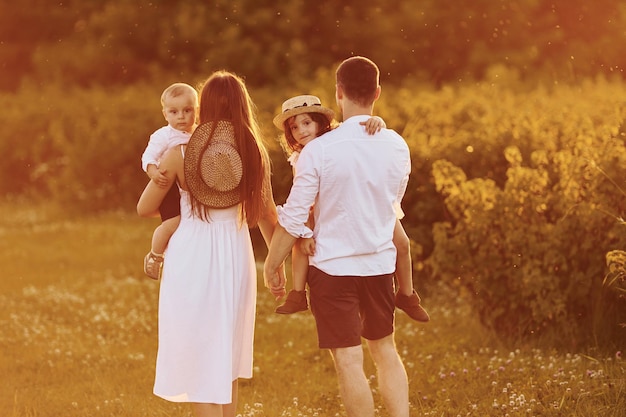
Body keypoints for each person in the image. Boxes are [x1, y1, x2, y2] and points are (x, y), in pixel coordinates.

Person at [263, 56, 412, 417]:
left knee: (348, 360)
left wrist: (271, 264)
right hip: (378, 265)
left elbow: (296, 217)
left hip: (332, 271)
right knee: (385, 350)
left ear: (338, 91)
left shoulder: (318, 150)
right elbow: (391, 206)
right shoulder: (396, 145)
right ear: (377, 92)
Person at [137, 70, 282, 417]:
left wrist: (159, 177)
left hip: (193, 252)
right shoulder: (252, 153)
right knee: (226, 350)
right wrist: (276, 267)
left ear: (204, 107)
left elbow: (145, 208)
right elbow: (267, 216)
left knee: (198, 346)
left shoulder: (178, 153)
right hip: (236, 251)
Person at [272, 95, 429, 322]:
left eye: (306, 123)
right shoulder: (301, 157)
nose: (301, 131)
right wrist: (307, 233)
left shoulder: (336, 138)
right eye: (294, 127)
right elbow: (304, 205)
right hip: (320, 213)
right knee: (299, 245)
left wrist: (379, 123)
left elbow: (358, 131)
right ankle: (297, 294)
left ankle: (407, 294)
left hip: (370, 202)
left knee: (402, 243)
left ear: (319, 121)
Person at [141, 82, 199, 280]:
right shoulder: (163, 135)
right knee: (172, 222)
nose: (181, 116)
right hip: (168, 185)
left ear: (196, 111)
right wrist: (153, 172)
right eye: (174, 112)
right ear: (165, 114)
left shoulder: (198, 133)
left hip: (190, 185)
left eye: (187, 110)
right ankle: (155, 255)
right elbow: (148, 156)